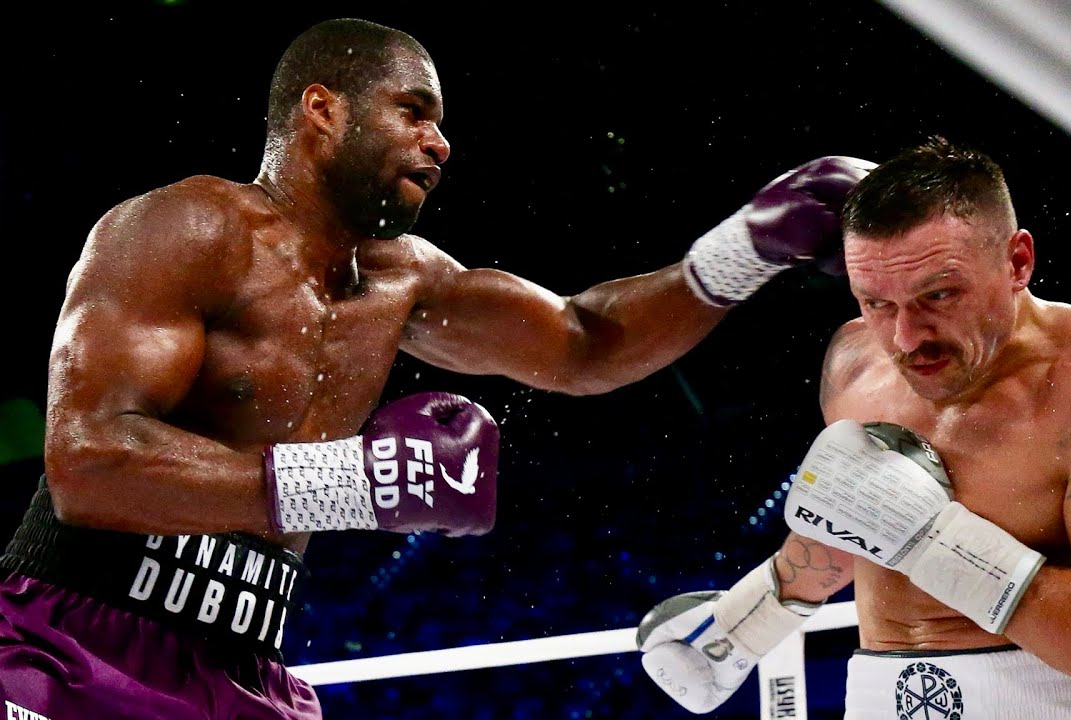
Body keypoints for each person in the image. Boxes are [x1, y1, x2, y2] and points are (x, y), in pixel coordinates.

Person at [0, 16, 873, 720]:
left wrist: (747, 249)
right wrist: (357, 485)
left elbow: (583, 342)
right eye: (413, 112)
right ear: (322, 109)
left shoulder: (405, 281)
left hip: (244, 667)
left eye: (440, 122)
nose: (440, 142)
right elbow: (87, 464)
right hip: (73, 642)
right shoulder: (186, 229)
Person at [636, 136, 1071, 719]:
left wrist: (935, 542)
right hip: (875, 699)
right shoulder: (855, 361)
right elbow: (865, 519)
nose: (906, 338)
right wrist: (741, 625)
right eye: (876, 303)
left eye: (938, 295)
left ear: (1018, 262)